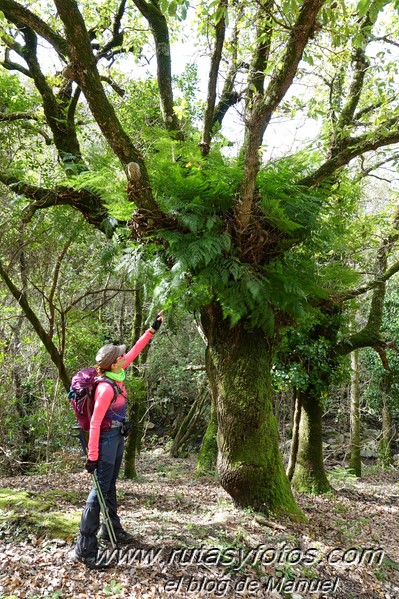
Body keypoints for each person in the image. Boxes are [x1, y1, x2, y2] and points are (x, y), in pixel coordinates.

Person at [73, 311, 164, 569]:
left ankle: (111, 528)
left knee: (110, 483)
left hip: (117, 435)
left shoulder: (118, 372)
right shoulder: (104, 388)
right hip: (104, 440)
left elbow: (135, 350)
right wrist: (92, 456)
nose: (124, 357)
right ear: (112, 364)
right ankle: (84, 549)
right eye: (119, 356)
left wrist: (152, 329)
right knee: (98, 489)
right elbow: (94, 423)